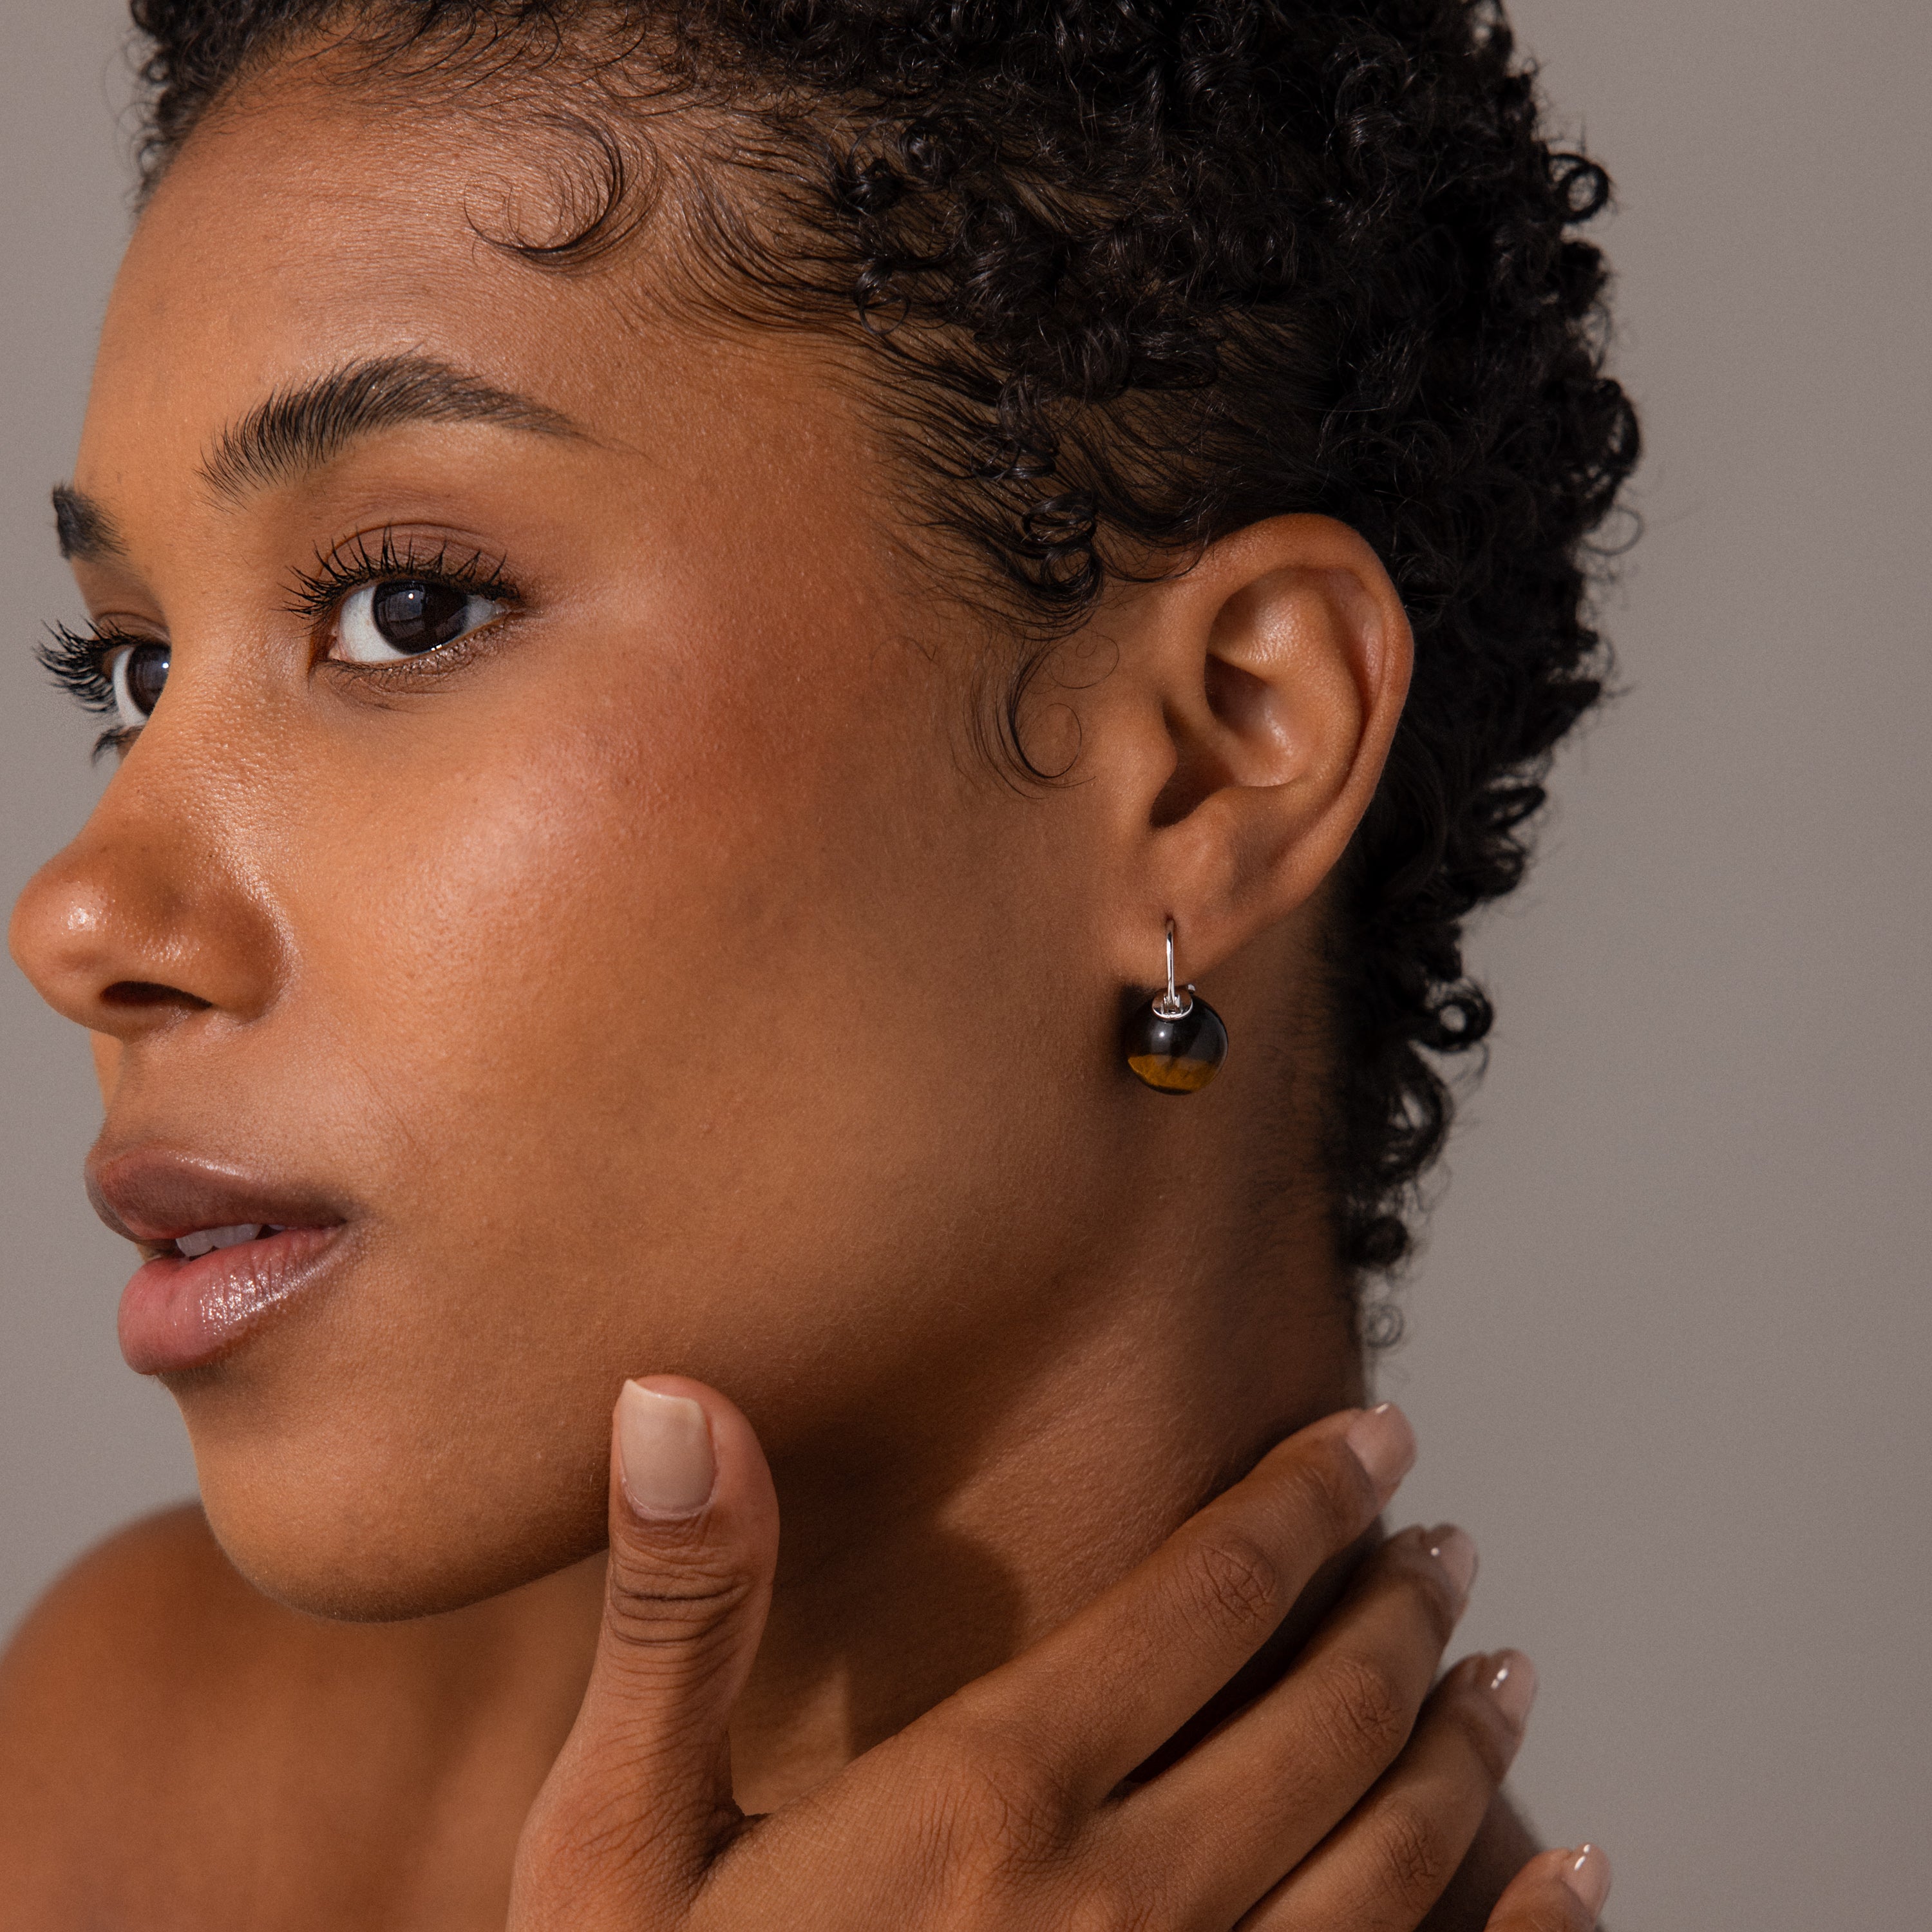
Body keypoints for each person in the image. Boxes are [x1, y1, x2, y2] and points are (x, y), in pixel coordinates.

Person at [0, 1, 1636, 1925]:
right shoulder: (146, 1771)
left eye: (407, 605)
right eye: (134, 672)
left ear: (1217, 750)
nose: (80, 922)